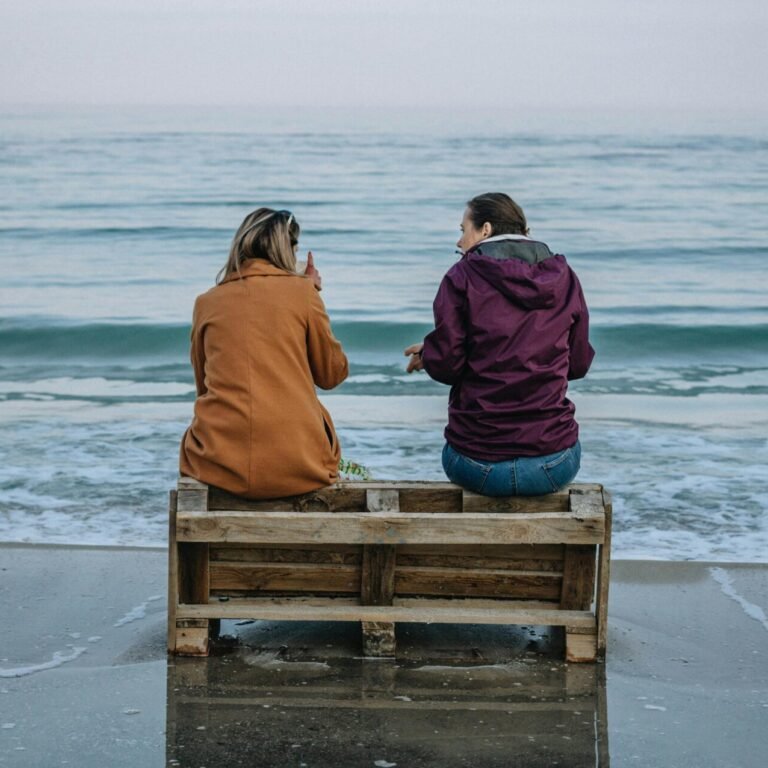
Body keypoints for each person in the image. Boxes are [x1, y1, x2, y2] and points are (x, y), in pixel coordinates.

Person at [405, 193, 594, 496]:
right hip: (554, 462)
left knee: (456, 452)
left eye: (463, 229)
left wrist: (432, 354)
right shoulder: (565, 278)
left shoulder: (461, 276)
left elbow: (449, 367)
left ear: (486, 230)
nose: (459, 241)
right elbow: (579, 363)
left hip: (477, 465)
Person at [180, 208, 348, 499]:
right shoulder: (304, 293)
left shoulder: (206, 303)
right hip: (300, 464)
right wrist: (312, 295)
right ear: (288, 249)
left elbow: (203, 386)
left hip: (219, 462)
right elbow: (332, 375)